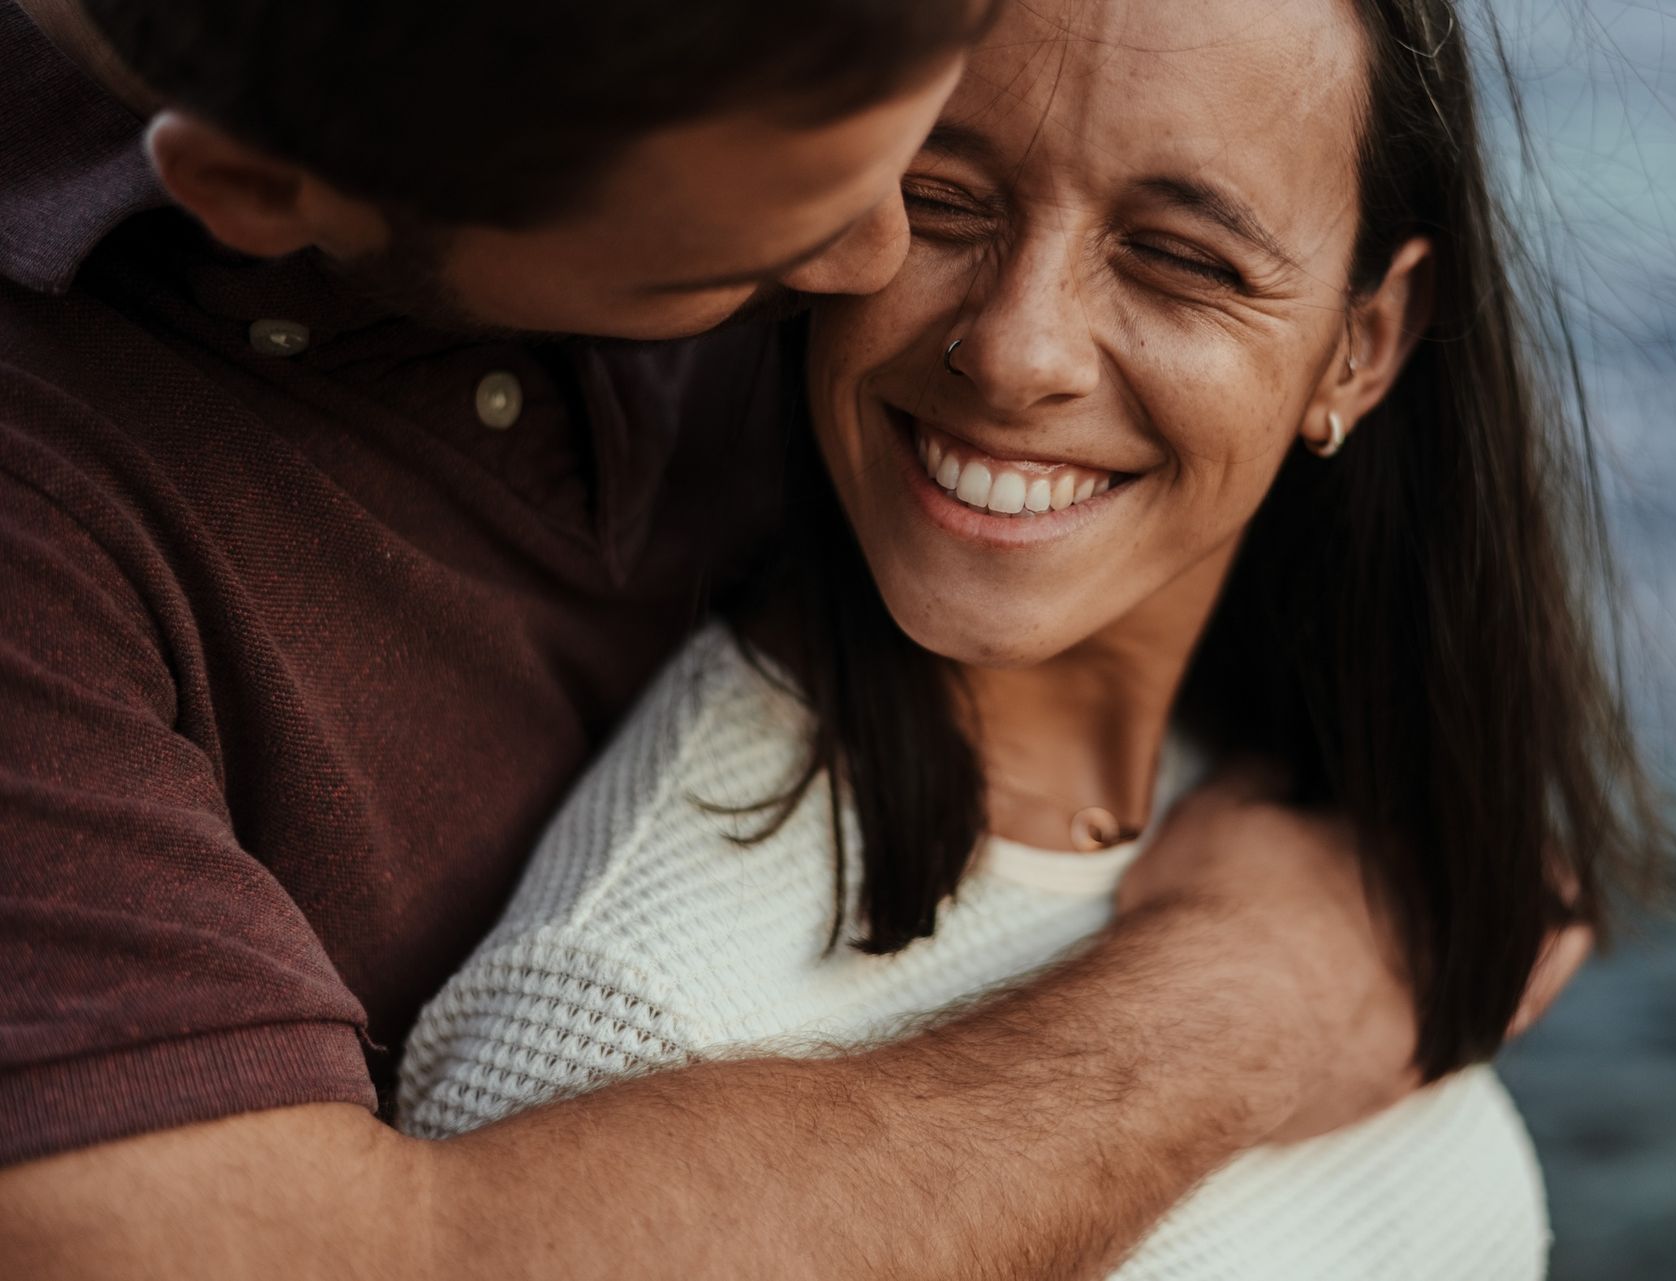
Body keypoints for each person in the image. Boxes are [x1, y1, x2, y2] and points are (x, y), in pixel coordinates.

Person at [0, 0, 1591, 1277]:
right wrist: (1261, 991)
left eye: (897, 148)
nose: (871, 261)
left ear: (1370, 342)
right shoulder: (619, 999)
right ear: (268, 193)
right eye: (936, 194)